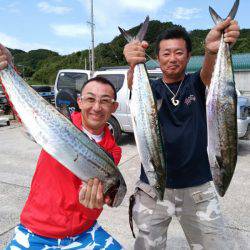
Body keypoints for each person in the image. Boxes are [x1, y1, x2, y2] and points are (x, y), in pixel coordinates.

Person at [123, 16, 240, 249]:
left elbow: (208, 74)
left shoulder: (197, 83)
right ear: (157, 57)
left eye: (179, 53)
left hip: (198, 188)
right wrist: (133, 63)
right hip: (152, 187)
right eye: (166, 53)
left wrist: (212, 51)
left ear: (188, 56)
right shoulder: (151, 87)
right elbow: (131, 83)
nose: (172, 59)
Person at [0, 48, 123, 249]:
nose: (97, 107)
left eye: (105, 101)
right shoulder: (59, 123)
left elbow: (97, 202)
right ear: (80, 102)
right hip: (34, 230)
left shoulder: (113, 151)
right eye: (90, 99)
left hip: (83, 234)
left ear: (114, 107)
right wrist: (8, 68)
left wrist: (93, 207)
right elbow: (26, 110)